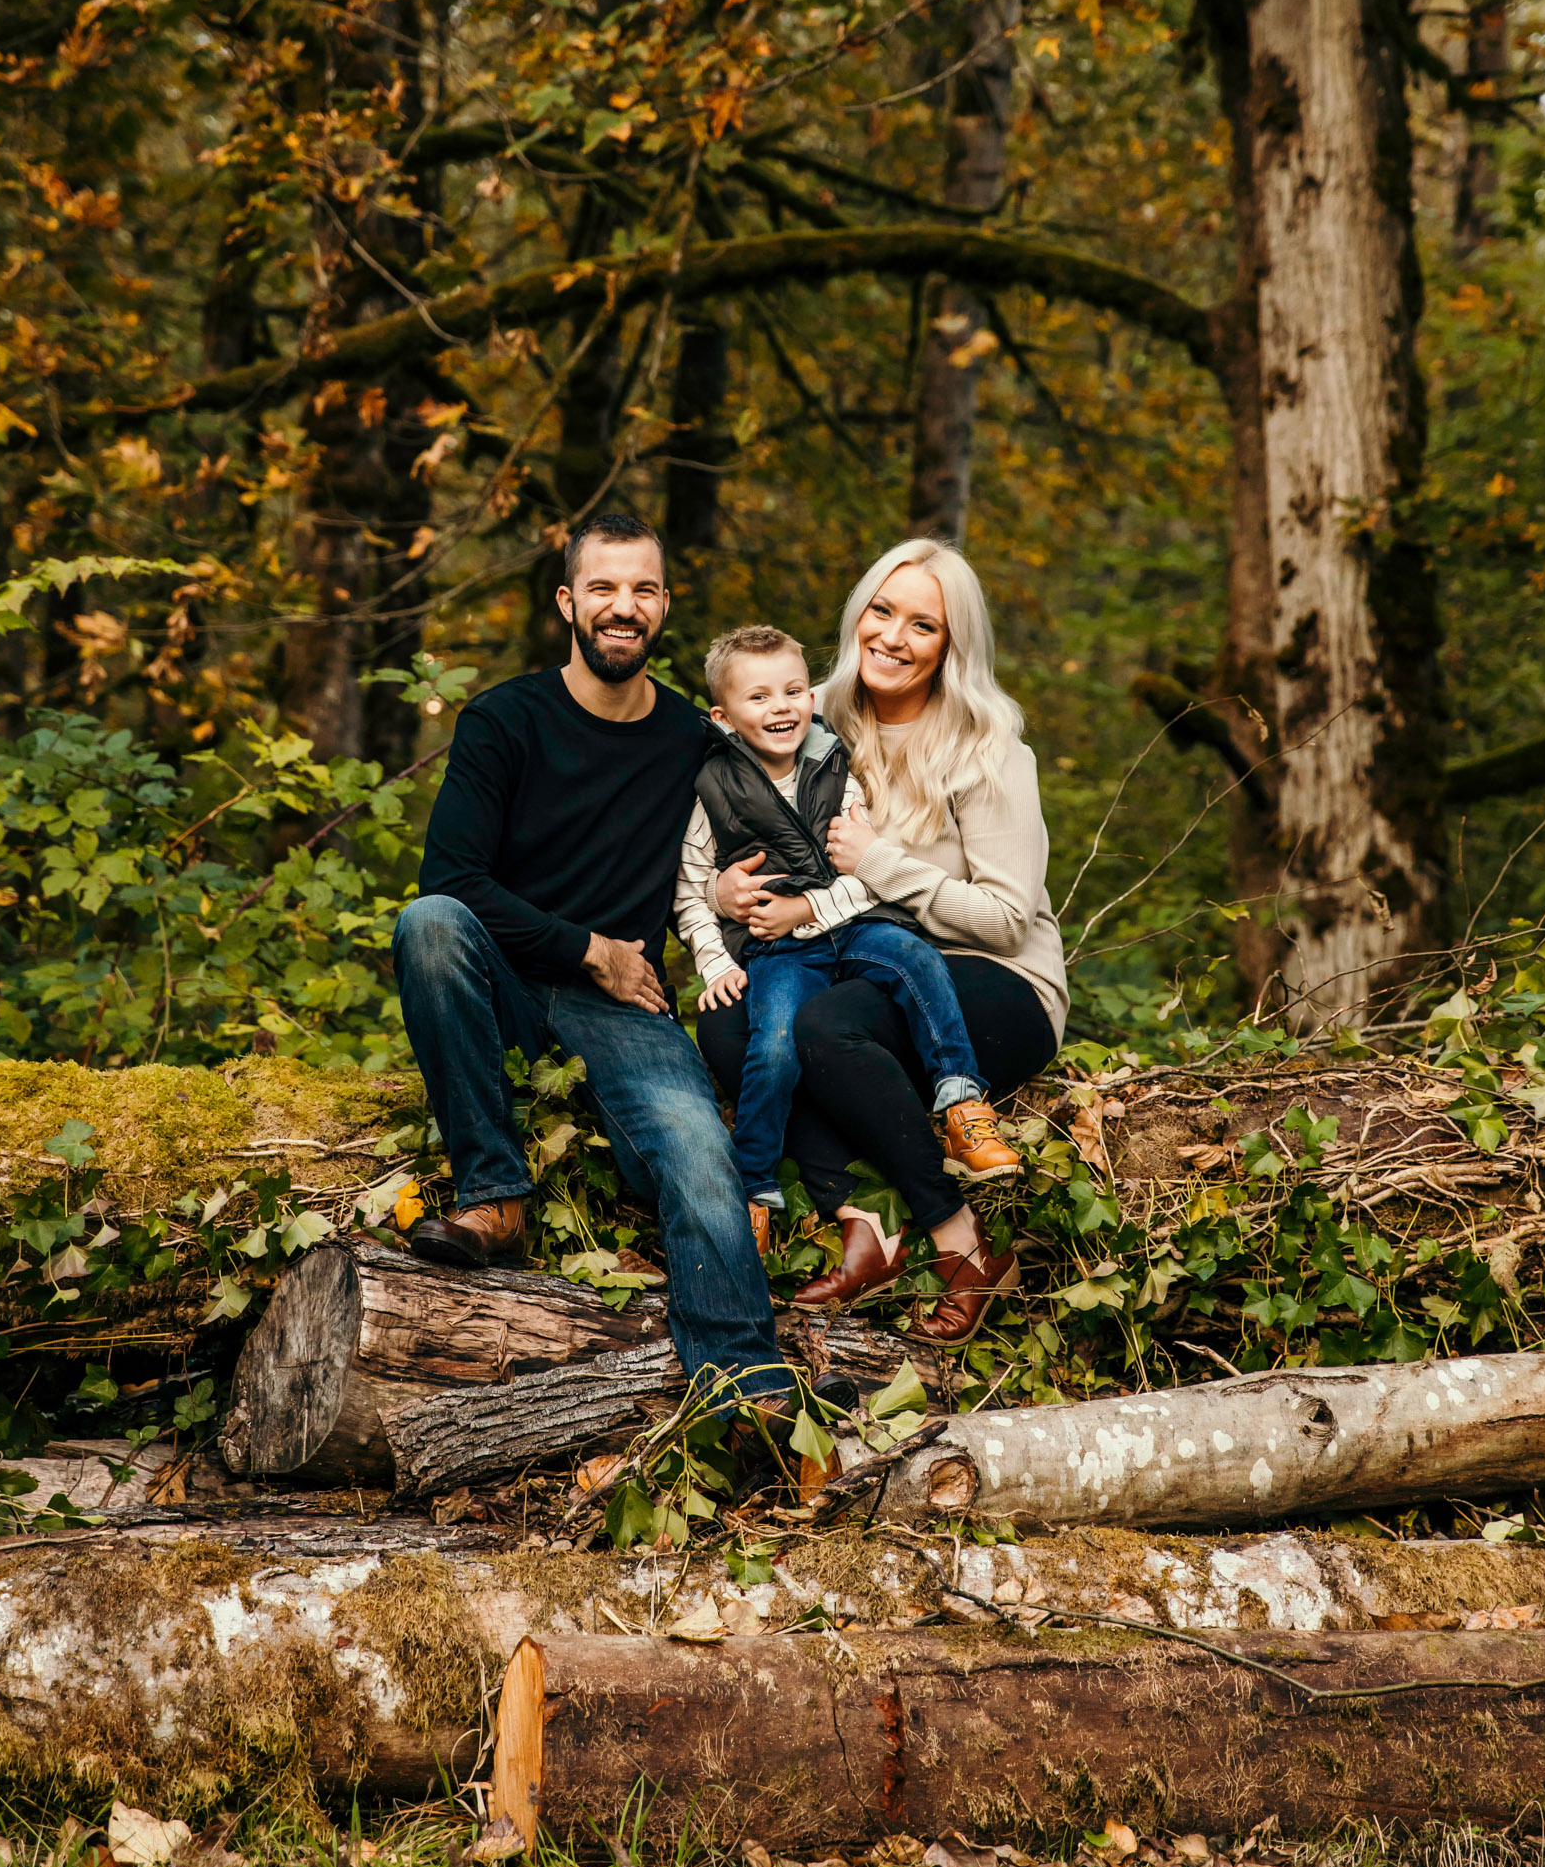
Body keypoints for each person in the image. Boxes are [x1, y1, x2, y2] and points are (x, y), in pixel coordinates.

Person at [391, 511, 789, 1409]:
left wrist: (731, 897)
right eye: (604, 588)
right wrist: (591, 948)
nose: (624, 606)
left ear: (664, 607)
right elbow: (455, 879)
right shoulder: (504, 720)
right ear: (568, 601)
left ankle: (745, 1387)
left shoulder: (695, 738)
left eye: (643, 589)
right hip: (505, 981)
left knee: (693, 1149)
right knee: (430, 922)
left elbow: (782, 796)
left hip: (625, 1006)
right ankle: (495, 1194)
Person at [695, 539, 1067, 1345]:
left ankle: (960, 1241)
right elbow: (719, 812)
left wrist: (882, 864)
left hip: (988, 975)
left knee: (829, 1027)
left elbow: (1007, 917)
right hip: (844, 953)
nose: (893, 636)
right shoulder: (810, 712)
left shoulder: (991, 750)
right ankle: (862, 1222)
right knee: (730, 1023)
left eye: (923, 625)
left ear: (952, 645)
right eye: (882, 610)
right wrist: (723, 893)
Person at [674, 623, 1009, 1277]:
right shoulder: (709, 790)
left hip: (851, 926)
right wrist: (714, 961)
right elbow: (691, 888)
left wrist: (811, 906)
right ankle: (754, 1187)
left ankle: (962, 1096)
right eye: (760, 697)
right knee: (770, 1045)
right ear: (722, 716)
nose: (782, 707)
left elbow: (862, 873)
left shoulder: (833, 768)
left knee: (916, 959)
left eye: (795, 690)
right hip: (779, 955)